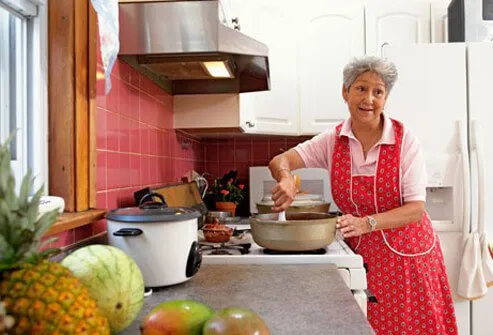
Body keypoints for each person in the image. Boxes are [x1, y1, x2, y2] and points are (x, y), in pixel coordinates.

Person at [268, 56, 458, 334]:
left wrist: (365, 223)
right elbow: (280, 160)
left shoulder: (405, 140)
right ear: (345, 92)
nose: (369, 99)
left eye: (378, 91)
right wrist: (285, 177)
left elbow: (415, 209)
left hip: (409, 257)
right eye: (361, 89)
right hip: (364, 258)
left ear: (385, 98)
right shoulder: (333, 140)